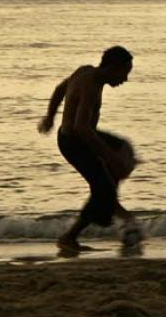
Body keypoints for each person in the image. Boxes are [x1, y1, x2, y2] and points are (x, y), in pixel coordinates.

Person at [38, 46, 138, 253]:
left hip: (82, 135)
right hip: (73, 143)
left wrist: (50, 116)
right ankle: (70, 237)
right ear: (112, 68)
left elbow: (60, 89)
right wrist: (110, 157)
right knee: (103, 190)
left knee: (124, 148)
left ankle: (109, 207)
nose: (125, 80)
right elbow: (80, 129)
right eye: (124, 73)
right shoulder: (91, 86)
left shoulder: (84, 70)